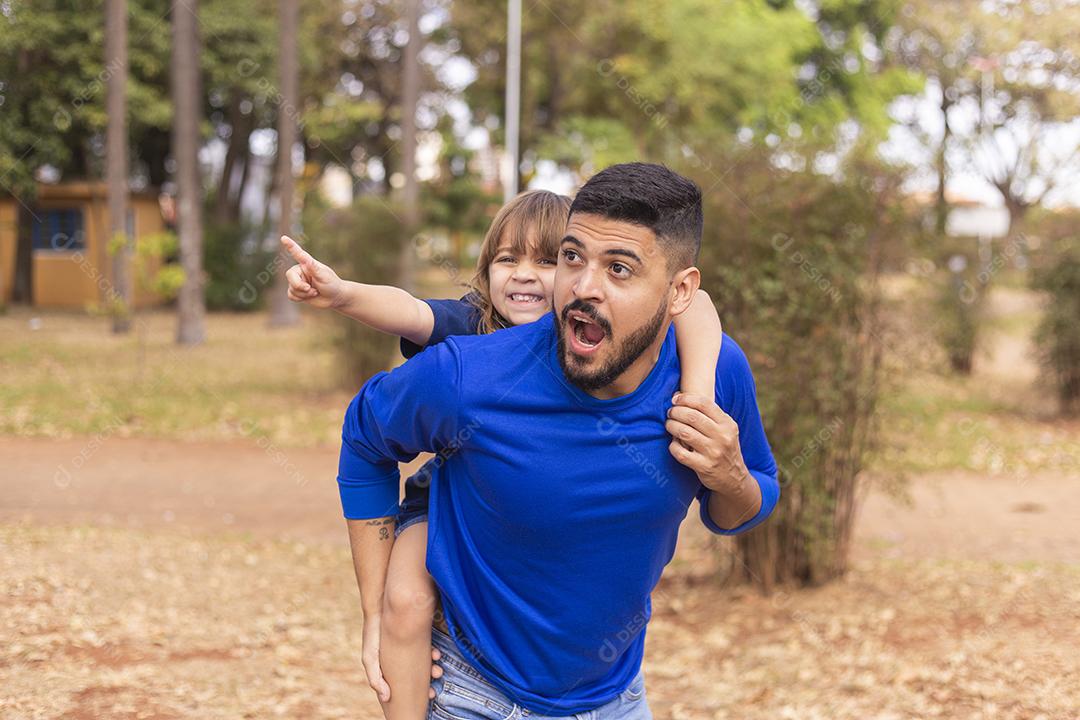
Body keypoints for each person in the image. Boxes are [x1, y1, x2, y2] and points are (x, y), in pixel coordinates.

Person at [333, 163, 779, 719]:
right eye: (572, 258)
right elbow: (364, 438)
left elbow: (744, 506)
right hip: (473, 693)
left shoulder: (711, 372)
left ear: (680, 290)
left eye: (619, 269)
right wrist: (378, 608)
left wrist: (729, 474)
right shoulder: (466, 376)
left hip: (618, 700)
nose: (583, 288)